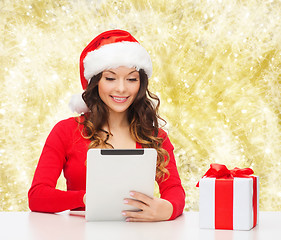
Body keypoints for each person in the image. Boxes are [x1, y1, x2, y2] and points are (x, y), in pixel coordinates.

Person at [28, 30, 185, 222]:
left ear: (141, 84)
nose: (121, 88)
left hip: (138, 232)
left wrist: (168, 208)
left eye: (131, 79)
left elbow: (174, 190)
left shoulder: (155, 136)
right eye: (110, 78)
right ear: (95, 83)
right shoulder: (66, 131)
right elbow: (37, 196)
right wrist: (87, 198)